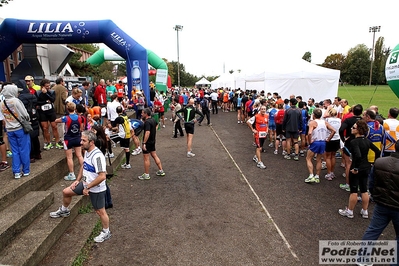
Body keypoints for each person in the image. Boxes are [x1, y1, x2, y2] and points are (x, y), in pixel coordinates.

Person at [50, 130, 111, 243]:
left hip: (96, 188)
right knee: (66, 192)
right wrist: (77, 180)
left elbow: (102, 176)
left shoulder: (97, 156)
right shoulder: (87, 151)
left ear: (91, 142)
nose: (81, 142)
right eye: (81, 139)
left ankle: (106, 232)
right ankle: (64, 210)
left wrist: (88, 187)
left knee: (100, 211)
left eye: (84, 140)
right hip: (85, 184)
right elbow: (84, 165)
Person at [360, 140, 399, 263]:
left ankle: (362, 258)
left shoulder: (380, 162)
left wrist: (376, 196)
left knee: (373, 231)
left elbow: (371, 184)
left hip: (381, 203)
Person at [338, 120, 381, 219]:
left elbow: (357, 155)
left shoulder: (354, 142)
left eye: (353, 128)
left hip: (357, 168)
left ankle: (350, 211)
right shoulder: (367, 141)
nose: (351, 129)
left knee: (353, 190)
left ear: (359, 130)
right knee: (364, 189)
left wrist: (356, 168)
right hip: (366, 167)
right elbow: (377, 151)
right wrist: (374, 163)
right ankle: (365, 211)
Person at [0, 84, 31, 178]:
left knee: (15, 151)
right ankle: (26, 170)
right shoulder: (16, 101)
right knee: (24, 149)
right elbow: (25, 114)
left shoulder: (2, 102)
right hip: (20, 128)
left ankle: (16, 171)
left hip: (9, 129)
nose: (18, 93)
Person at [304, 108, 336, 183]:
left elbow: (309, 133)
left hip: (315, 142)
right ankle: (317, 176)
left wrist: (309, 141)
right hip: (323, 142)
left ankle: (311, 175)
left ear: (314, 115)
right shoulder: (325, 122)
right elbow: (334, 130)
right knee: (319, 160)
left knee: (308, 158)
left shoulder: (312, 122)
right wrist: (328, 139)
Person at [55, 102, 85, 181]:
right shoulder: (80, 118)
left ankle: (72, 174)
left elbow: (56, 120)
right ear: (75, 109)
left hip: (68, 139)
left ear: (67, 109)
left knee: (69, 157)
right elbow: (81, 128)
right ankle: (85, 171)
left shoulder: (65, 118)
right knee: (79, 155)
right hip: (77, 137)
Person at [137, 108, 165, 180]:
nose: (141, 114)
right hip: (152, 141)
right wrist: (154, 131)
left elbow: (147, 132)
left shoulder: (147, 123)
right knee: (154, 155)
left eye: (142, 113)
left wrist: (144, 143)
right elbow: (157, 125)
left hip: (148, 142)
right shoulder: (153, 120)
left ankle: (146, 174)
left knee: (146, 158)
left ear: (146, 114)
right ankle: (161, 170)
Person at [36, 79, 63, 150]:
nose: (48, 87)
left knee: (54, 126)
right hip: (42, 112)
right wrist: (45, 101)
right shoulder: (38, 93)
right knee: (45, 128)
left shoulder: (52, 92)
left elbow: (52, 99)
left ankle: (57, 141)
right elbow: (37, 102)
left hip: (51, 111)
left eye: (49, 86)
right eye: (46, 86)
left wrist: (46, 94)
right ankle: (48, 142)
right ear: (42, 86)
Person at [18, 85, 42, 162]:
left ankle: (31, 156)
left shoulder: (20, 98)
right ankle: (38, 153)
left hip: (26, 119)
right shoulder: (33, 96)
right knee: (35, 137)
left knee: (29, 138)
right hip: (35, 116)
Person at [247, 105, 269, 169]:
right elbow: (248, 122)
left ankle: (255, 157)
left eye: (264, 109)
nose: (263, 110)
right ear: (260, 110)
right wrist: (253, 129)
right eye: (262, 109)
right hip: (257, 135)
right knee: (259, 148)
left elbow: (266, 123)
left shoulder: (267, 116)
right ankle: (259, 162)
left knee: (260, 148)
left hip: (263, 134)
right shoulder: (256, 116)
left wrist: (267, 129)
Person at [324, 108, 342, 180]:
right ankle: (332, 172)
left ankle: (329, 173)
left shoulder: (327, 120)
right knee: (333, 156)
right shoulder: (339, 120)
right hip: (337, 138)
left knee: (328, 156)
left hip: (329, 138)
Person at [53, 77, 68, 143]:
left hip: (53, 108)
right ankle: (61, 138)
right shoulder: (63, 88)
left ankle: (55, 136)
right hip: (61, 108)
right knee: (61, 124)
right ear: (61, 82)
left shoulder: (53, 88)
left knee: (55, 123)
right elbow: (64, 98)